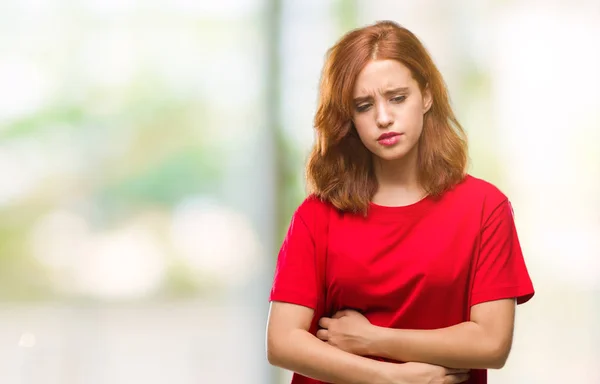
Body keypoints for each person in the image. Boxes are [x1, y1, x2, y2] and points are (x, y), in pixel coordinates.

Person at [266, 20, 534, 384]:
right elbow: (282, 343)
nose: (383, 118)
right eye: (364, 105)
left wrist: (374, 339)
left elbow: (491, 343)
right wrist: (391, 378)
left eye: (397, 97)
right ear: (350, 118)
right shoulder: (317, 215)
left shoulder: (485, 207)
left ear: (425, 96)